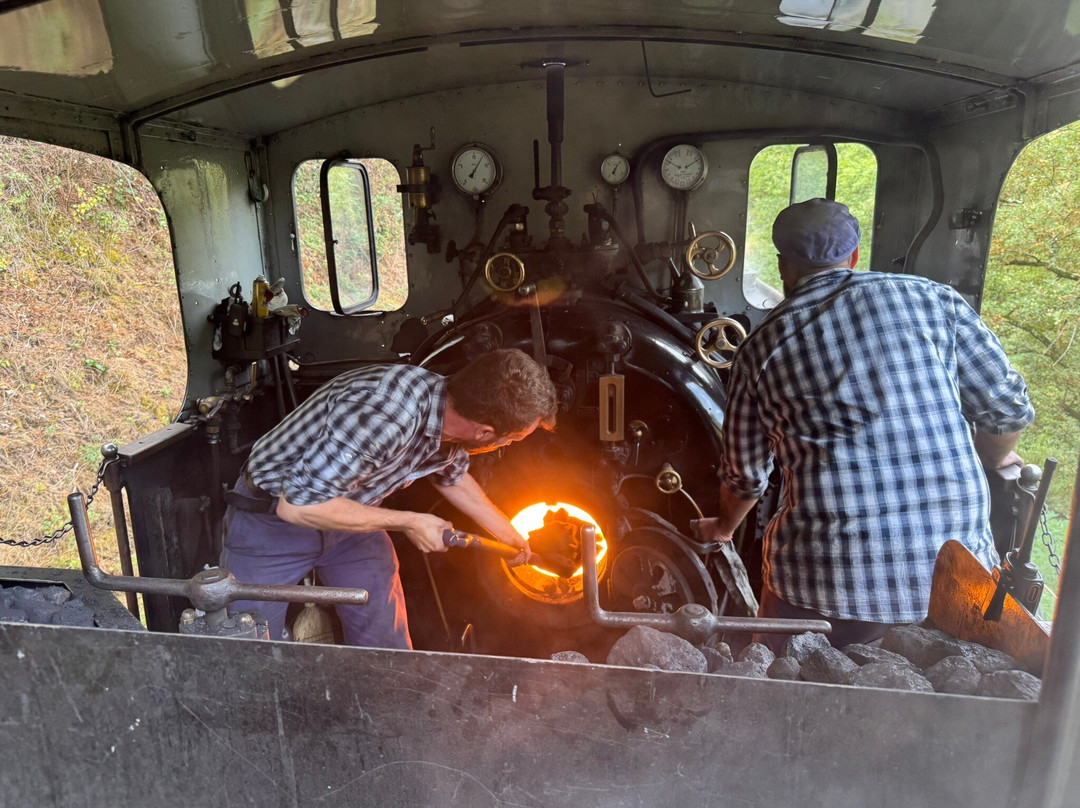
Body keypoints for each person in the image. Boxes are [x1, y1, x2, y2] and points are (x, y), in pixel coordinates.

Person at [697, 198, 1034, 651]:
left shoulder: (761, 346)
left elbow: (745, 477)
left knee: (786, 697)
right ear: (854, 257)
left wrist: (721, 528)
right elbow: (1008, 412)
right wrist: (988, 457)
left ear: (784, 266)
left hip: (823, 589)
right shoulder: (934, 301)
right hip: (954, 584)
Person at [220, 348, 557, 649]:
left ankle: (388, 701)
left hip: (349, 526)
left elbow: (452, 478)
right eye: (512, 440)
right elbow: (298, 504)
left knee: (386, 640)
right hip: (271, 523)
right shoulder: (390, 413)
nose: (508, 445)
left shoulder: (450, 415)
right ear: (483, 432)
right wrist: (409, 521)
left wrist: (509, 534)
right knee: (247, 648)